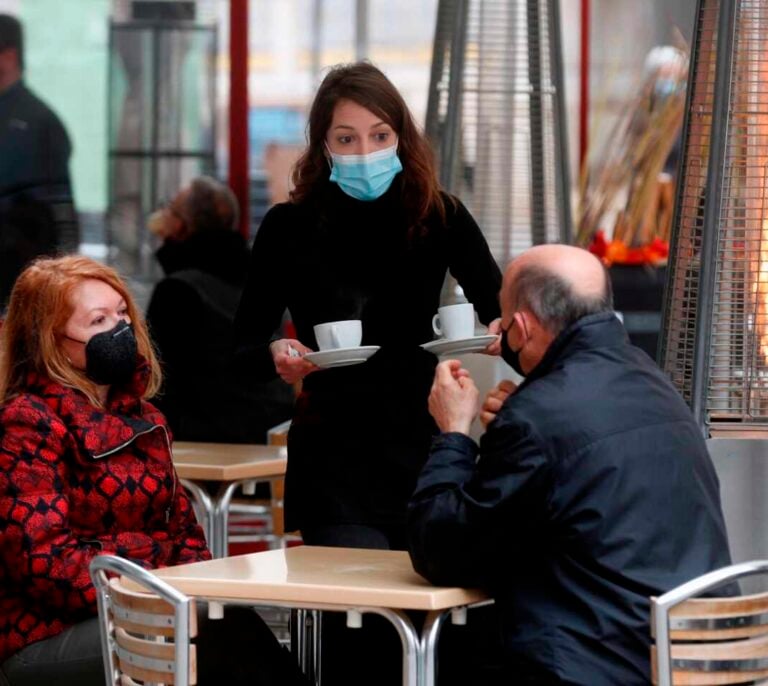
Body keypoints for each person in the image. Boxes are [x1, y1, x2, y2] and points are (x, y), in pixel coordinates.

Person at [233, 61, 502, 685]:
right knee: (360, 635)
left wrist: (496, 339)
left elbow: (500, 310)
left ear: (401, 138)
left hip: (425, 447)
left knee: (444, 631)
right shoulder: (290, 226)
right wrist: (276, 353)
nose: (365, 150)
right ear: (323, 145)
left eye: (380, 135)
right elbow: (245, 340)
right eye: (347, 138)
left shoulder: (441, 216)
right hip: (334, 455)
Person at [408, 244, 735, 685]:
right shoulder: (653, 382)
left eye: (503, 323)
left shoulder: (539, 417)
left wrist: (453, 435)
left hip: (602, 664)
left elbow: (442, 552)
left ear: (520, 328)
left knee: (415, 654)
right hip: (696, 658)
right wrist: (523, 420)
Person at [0, 256, 307, 686]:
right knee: (216, 633)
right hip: (43, 638)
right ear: (52, 341)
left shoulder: (147, 419)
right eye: (99, 320)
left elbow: (187, 540)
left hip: (146, 612)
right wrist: (154, 580)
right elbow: (45, 564)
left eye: (123, 312)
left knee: (224, 625)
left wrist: (155, 580)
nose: (119, 328)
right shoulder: (27, 422)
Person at [145, 176, 294, 443]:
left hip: (205, 441)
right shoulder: (262, 278)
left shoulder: (178, 291)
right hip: (271, 430)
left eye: (169, 208)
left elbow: (157, 380)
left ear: (181, 226)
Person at [0, 14, 78, 312]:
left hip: (19, 285)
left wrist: (63, 281)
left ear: (8, 56)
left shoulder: (39, 122)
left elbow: (61, 213)